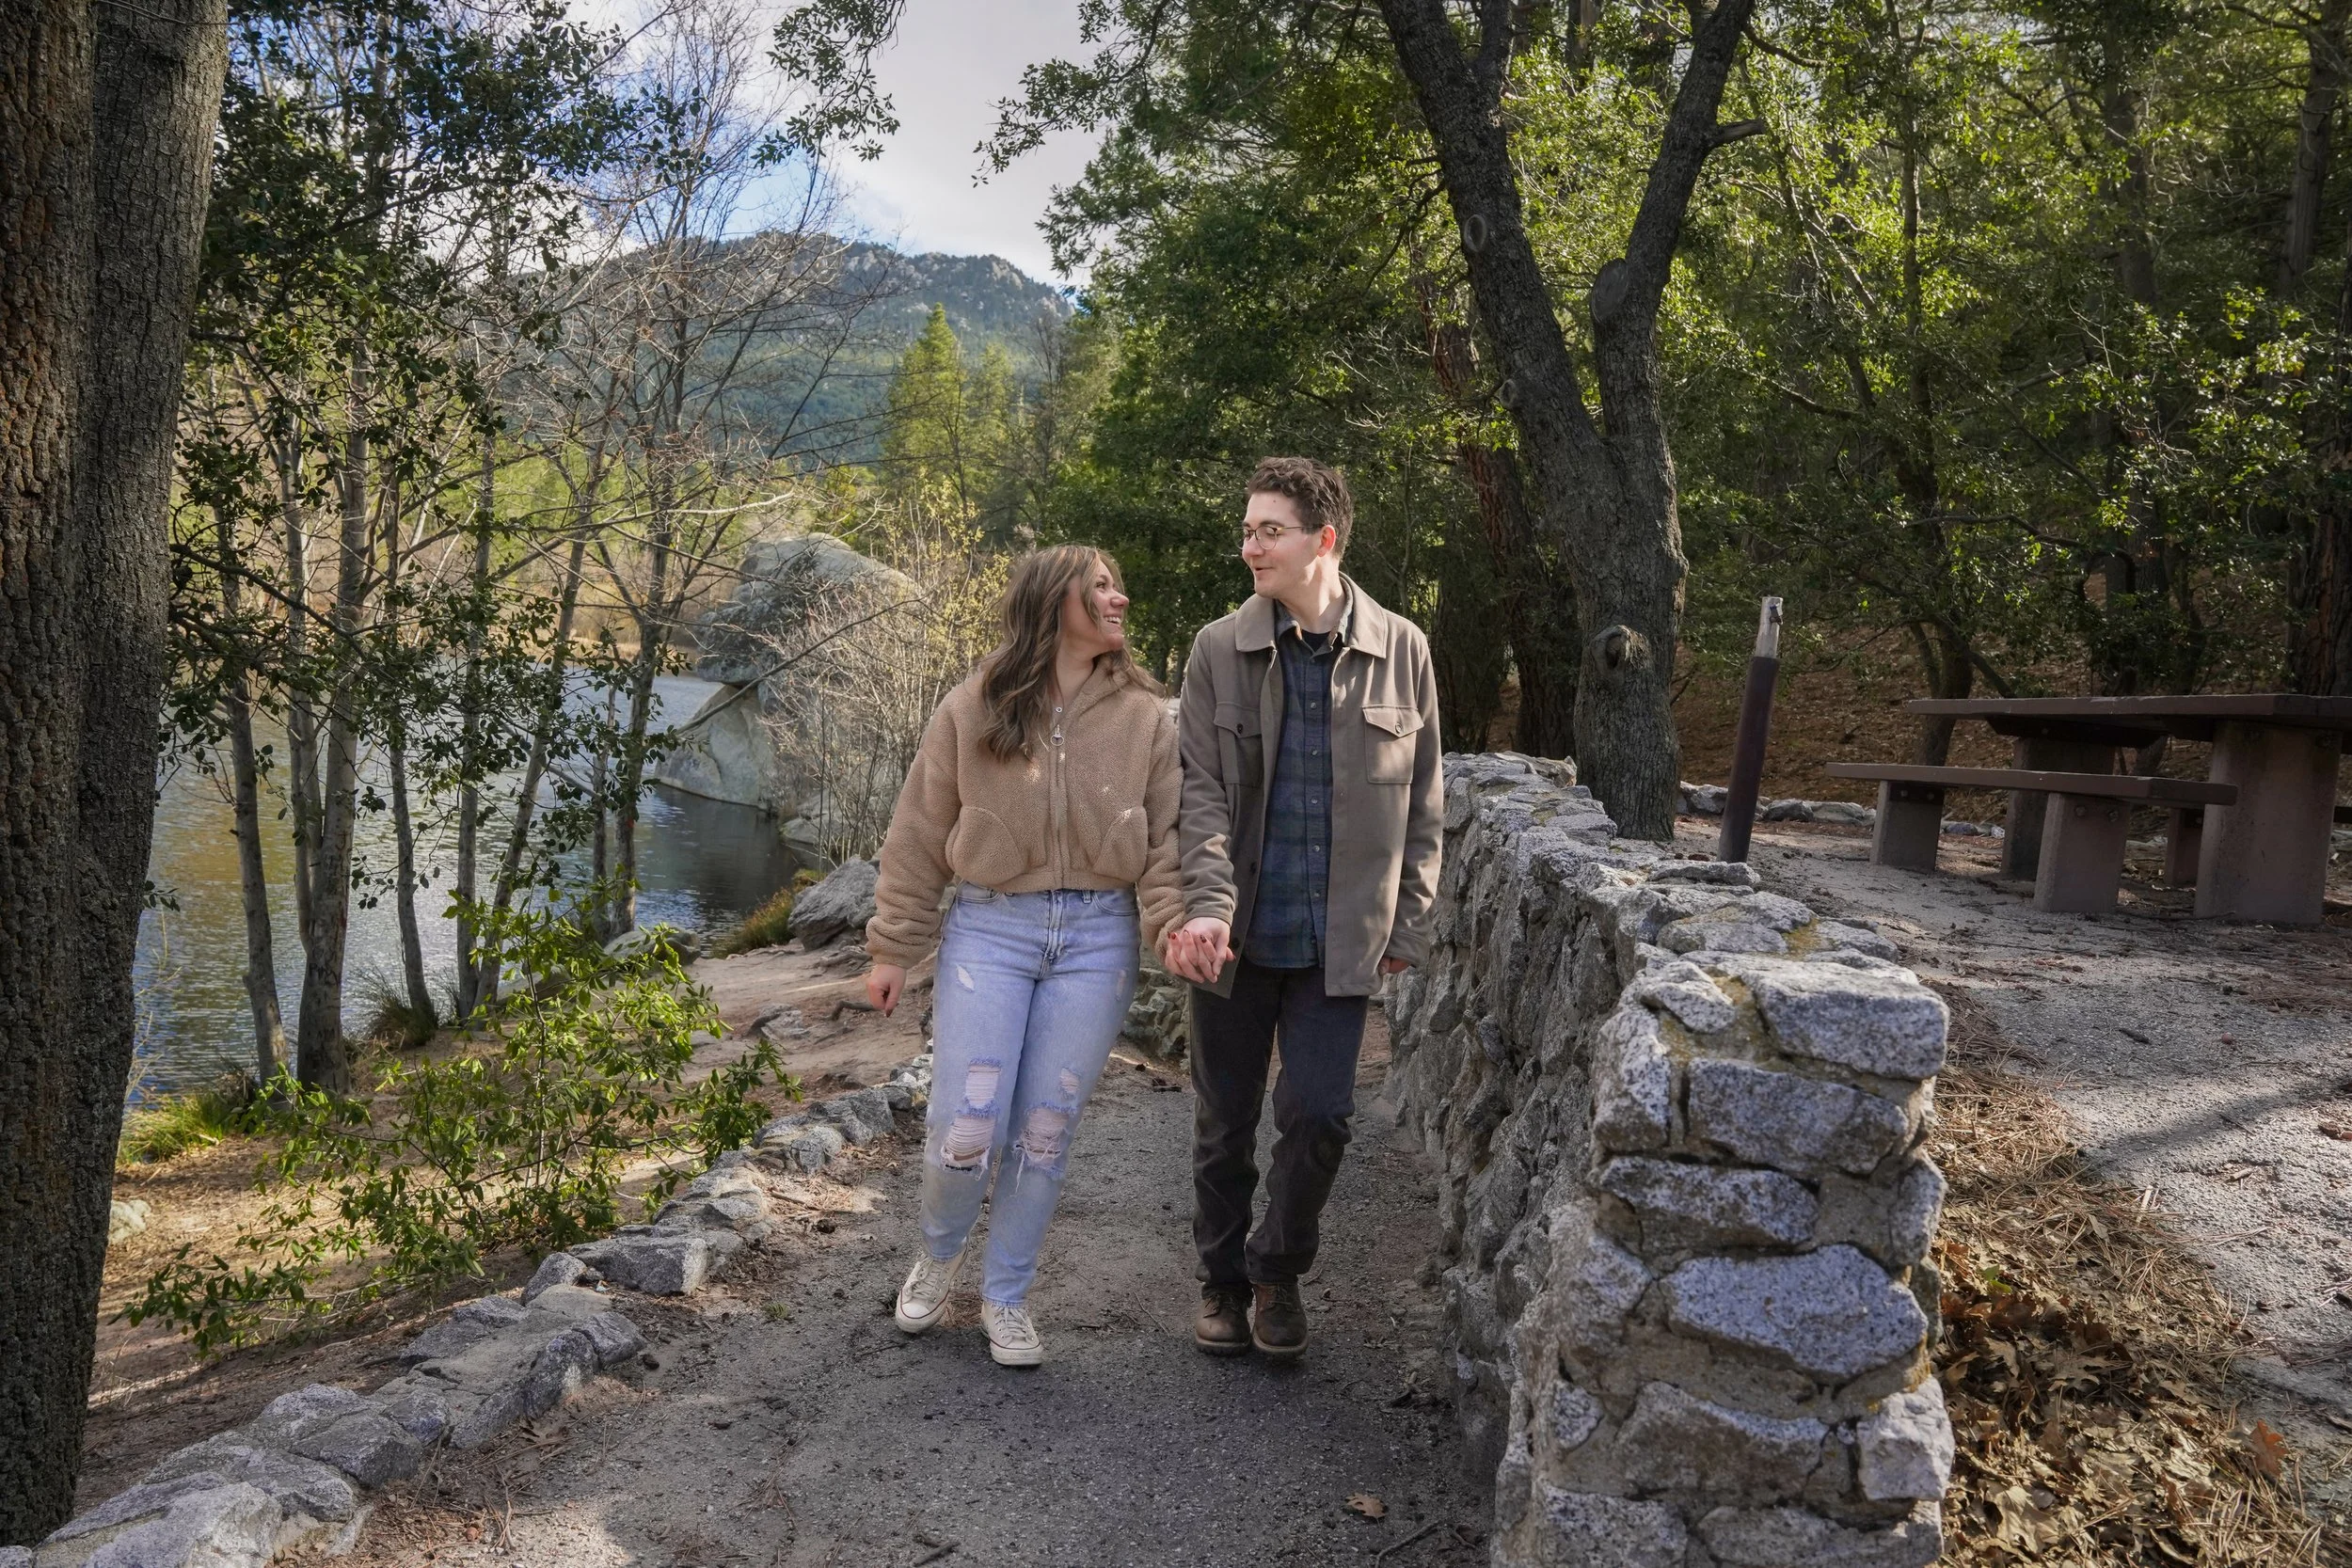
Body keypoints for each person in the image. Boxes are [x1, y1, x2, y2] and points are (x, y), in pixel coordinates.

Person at [865, 545, 1184, 1367]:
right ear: (1055, 603)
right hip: (990, 930)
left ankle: (1005, 1296)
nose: (1119, 597)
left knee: (1044, 1130)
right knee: (965, 1124)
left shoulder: (1149, 715)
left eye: (1118, 582)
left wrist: (1175, 925)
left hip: (1098, 938)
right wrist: (895, 946)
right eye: (1101, 586)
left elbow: (1169, 843)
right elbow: (918, 832)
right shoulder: (973, 705)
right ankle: (939, 1251)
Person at [1162, 457, 1444, 1359]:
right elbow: (1198, 793)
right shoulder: (1218, 650)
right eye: (1247, 530)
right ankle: (1220, 1280)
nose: (1249, 546)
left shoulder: (1405, 648)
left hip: (1341, 941)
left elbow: (1426, 801)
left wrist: (1410, 921)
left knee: (1321, 1113)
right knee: (1224, 1123)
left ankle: (1277, 1270)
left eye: (1267, 530)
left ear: (1324, 539)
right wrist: (1205, 907)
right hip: (1235, 936)